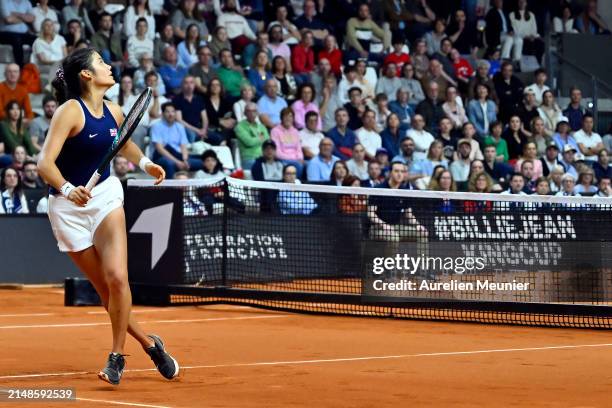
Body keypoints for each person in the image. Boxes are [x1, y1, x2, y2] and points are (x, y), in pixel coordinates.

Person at [36, 48, 178, 384]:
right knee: (104, 292)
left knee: (117, 278)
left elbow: (122, 143)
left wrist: (144, 163)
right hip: (67, 209)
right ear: (86, 74)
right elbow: (45, 164)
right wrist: (69, 189)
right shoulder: (70, 111)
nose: (109, 67)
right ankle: (149, 343)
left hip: (105, 198)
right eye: (101, 63)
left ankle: (117, 356)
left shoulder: (113, 110)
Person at [367, 162, 428, 251]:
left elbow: (408, 214)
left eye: (402, 172)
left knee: (422, 233)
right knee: (394, 237)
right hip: (377, 228)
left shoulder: (405, 191)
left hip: (397, 227)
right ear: (390, 173)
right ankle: (390, 264)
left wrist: (418, 225)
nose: (399, 174)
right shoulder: (379, 189)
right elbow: (371, 213)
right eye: (396, 171)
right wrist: (383, 225)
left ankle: (423, 264)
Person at [151, 101, 202, 179]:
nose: (171, 114)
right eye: (167, 112)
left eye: (173, 111)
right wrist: (177, 162)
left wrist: (185, 160)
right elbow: (160, 149)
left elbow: (183, 146)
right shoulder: (156, 126)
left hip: (179, 156)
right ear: (163, 114)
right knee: (170, 163)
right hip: (162, 156)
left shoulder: (179, 127)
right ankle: (171, 189)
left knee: (201, 162)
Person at [0, 0, 36, 67]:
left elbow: (32, 18)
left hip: (23, 34)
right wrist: (25, 18)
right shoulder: (3, 1)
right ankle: (20, 67)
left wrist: (16, 14)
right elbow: (8, 20)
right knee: (16, 39)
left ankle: (32, 66)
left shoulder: (26, 2)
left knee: (36, 39)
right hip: (5, 33)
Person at [270, 107, 304, 177]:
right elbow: (277, 152)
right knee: (297, 166)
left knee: (306, 164)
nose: (288, 119)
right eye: (285, 116)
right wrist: (294, 159)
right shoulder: (275, 131)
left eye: (290, 116)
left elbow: (299, 149)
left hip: (296, 159)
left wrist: (300, 158)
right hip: (282, 160)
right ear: (281, 118)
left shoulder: (295, 131)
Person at [173, 76, 206, 143]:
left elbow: (205, 118)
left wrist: (204, 130)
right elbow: (179, 120)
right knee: (192, 135)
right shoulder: (177, 99)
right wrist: (197, 130)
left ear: (194, 85)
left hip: (199, 128)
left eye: (191, 83)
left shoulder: (199, 99)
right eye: (186, 83)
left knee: (219, 139)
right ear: (182, 85)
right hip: (185, 128)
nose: (189, 85)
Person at [90, 13, 124, 78]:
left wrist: (122, 62)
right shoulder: (95, 37)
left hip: (116, 63)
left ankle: (118, 81)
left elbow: (119, 53)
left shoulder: (115, 37)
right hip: (103, 64)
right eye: (105, 21)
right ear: (100, 22)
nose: (108, 23)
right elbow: (95, 54)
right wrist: (112, 64)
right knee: (105, 52)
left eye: (109, 20)